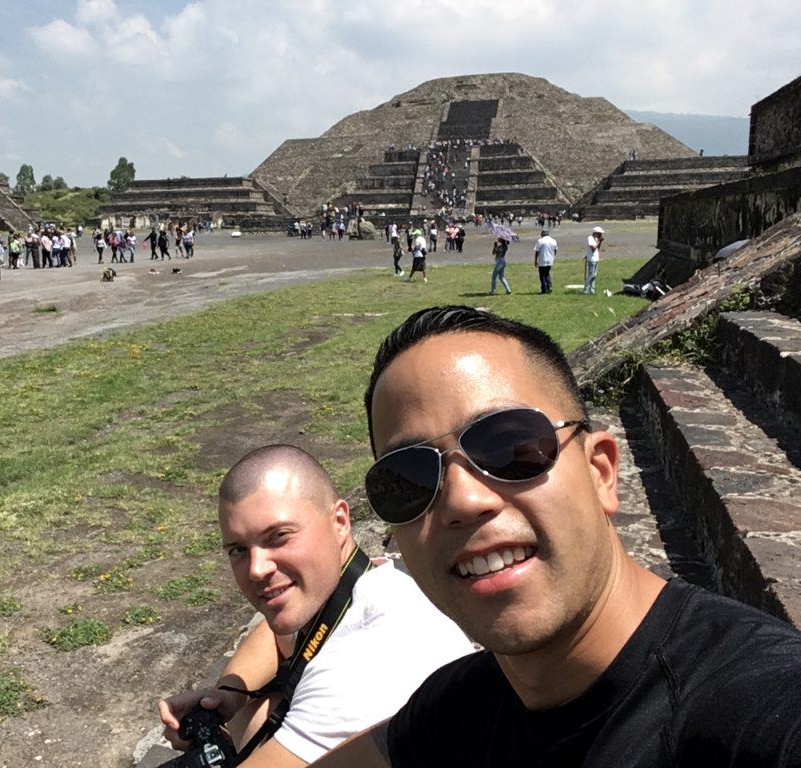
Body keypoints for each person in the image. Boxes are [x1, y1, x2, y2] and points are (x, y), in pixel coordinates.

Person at [311, 305, 801, 768]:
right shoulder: (459, 709)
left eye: (509, 446)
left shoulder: (753, 704)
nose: (462, 500)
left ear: (601, 473)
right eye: (408, 479)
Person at [159, 444, 473, 767]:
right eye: (238, 550)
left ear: (340, 522)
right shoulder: (363, 583)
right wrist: (229, 694)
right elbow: (273, 635)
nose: (256, 569)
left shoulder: (364, 665)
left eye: (278, 536)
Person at [533, 229, 558, 294]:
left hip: (542, 260)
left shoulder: (540, 241)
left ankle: (544, 289)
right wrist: (553, 256)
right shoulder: (553, 241)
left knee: (542, 275)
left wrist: (535, 260)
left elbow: (537, 251)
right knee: (547, 273)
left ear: (543, 234)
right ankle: (549, 286)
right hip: (550, 260)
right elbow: (555, 250)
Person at [583, 226, 604, 295]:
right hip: (591, 259)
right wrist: (599, 241)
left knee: (594, 275)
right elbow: (593, 248)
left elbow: (598, 248)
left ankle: (592, 290)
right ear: (596, 233)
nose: (601, 235)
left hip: (596, 258)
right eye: (600, 233)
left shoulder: (596, 239)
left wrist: (600, 242)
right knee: (591, 275)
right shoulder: (590, 238)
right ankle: (586, 289)